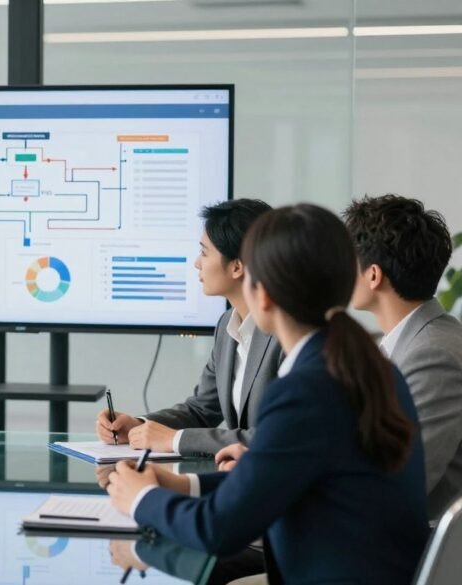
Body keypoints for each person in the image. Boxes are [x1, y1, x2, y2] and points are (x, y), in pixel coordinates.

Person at [107, 204, 429, 585]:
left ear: (262, 294)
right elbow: (292, 478)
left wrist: (141, 499)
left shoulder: (306, 390)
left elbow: (220, 530)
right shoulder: (365, 366)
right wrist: (185, 484)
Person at [96, 199, 282, 456]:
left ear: (237, 266)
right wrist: (138, 426)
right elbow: (201, 409)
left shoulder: (286, 333)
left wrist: (175, 440)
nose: (197, 262)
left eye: (204, 252)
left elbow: (277, 437)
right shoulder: (227, 324)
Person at [344, 194, 462, 518]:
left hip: (407, 554)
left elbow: (399, 482)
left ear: (373, 275)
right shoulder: (401, 344)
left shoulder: (434, 355)